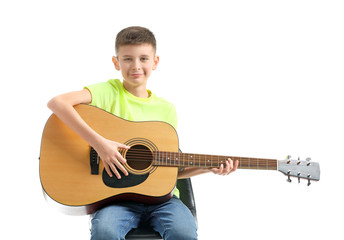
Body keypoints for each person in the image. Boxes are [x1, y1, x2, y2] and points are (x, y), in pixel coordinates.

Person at [47, 26, 239, 240]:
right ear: (116, 62)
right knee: (105, 232)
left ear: (155, 62)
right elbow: (58, 103)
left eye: (144, 59)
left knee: (183, 232)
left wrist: (208, 169)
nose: (136, 66)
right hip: (114, 198)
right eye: (127, 59)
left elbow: (168, 171)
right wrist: (100, 145)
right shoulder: (107, 92)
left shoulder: (166, 109)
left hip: (163, 201)